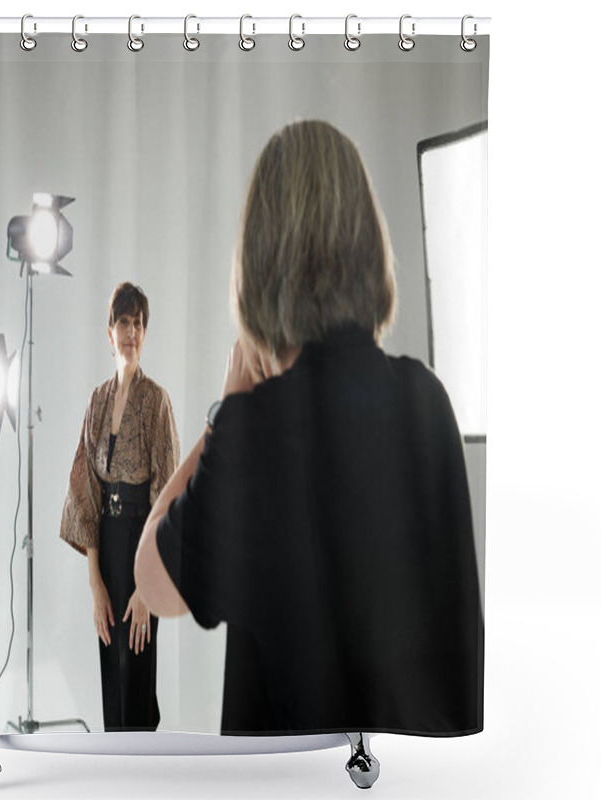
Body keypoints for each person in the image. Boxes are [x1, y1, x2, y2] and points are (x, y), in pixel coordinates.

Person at [135, 120, 483, 736]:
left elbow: (153, 580)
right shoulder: (429, 402)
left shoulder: (257, 435)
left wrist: (228, 405)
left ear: (261, 267)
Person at [60, 282, 179, 731]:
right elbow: (84, 492)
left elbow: (165, 498)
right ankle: (114, 778)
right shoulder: (97, 401)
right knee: (113, 672)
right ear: (109, 331)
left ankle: (145, 780)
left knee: (138, 677)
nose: (132, 331)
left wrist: (147, 588)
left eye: (139, 324)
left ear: (144, 334)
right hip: (106, 545)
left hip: (141, 544)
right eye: (124, 322)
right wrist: (95, 584)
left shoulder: (156, 400)